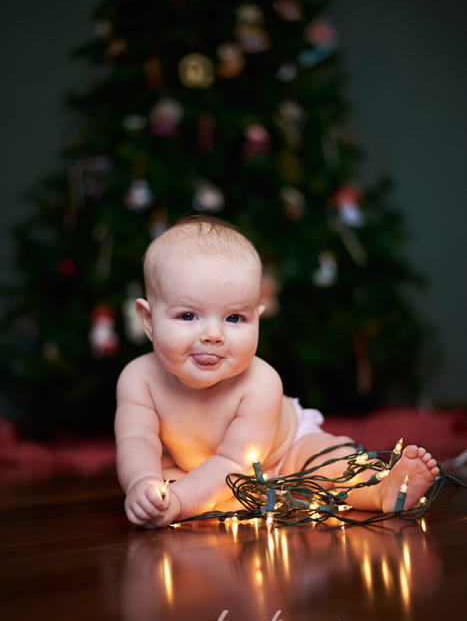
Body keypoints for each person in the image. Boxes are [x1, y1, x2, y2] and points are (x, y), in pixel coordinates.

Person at [115, 215, 439, 528]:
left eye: (234, 318)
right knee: (162, 478)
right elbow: (136, 439)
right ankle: (195, 495)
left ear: (257, 317)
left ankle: (383, 487)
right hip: (197, 466)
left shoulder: (260, 382)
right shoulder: (139, 379)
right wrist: (143, 482)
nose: (213, 335)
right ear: (148, 320)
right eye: (188, 316)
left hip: (283, 451)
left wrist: (180, 501)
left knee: (329, 463)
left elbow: (234, 466)